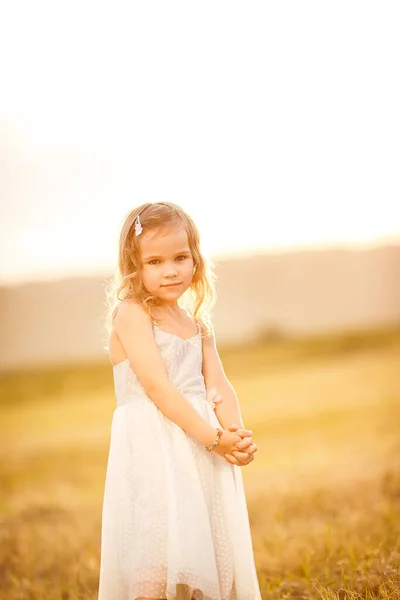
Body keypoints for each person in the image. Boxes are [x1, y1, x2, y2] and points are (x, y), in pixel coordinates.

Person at [98, 201, 261, 600]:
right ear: (134, 265)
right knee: (155, 550)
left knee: (199, 546)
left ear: (195, 259)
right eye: (154, 261)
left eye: (180, 257)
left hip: (200, 448)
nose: (170, 270)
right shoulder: (132, 313)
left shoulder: (197, 325)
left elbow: (219, 385)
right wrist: (213, 437)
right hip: (155, 446)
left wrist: (234, 435)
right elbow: (159, 389)